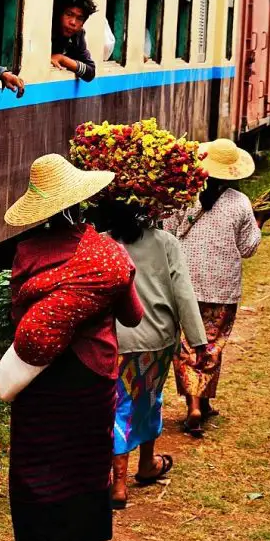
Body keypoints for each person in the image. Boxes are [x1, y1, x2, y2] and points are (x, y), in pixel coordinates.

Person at [0, 154, 143, 541]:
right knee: (86, 457)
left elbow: (17, 315)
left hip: (37, 373)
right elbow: (132, 317)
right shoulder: (108, 254)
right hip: (90, 372)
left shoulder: (25, 251)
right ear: (82, 203)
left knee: (35, 457)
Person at [99, 201, 207, 509]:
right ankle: (146, 464)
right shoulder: (165, 242)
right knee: (149, 400)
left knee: (119, 406)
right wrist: (198, 341)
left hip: (114, 341)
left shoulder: (101, 243)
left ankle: (118, 482)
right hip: (157, 341)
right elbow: (183, 291)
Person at [164, 139, 261, 437]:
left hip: (184, 283)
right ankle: (200, 404)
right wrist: (259, 223)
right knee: (211, 343)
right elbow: (248, 248)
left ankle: (196, 405)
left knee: (188, 344)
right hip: (222, 287)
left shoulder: (183, 197)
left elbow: (167, 234)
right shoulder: (241, 203)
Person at [51, 0, 97, 81]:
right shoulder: (47, 30)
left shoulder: (77, 37)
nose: (73, 22)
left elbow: (90, 72)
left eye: (79, 18)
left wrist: (62, 59)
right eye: (69, 14)